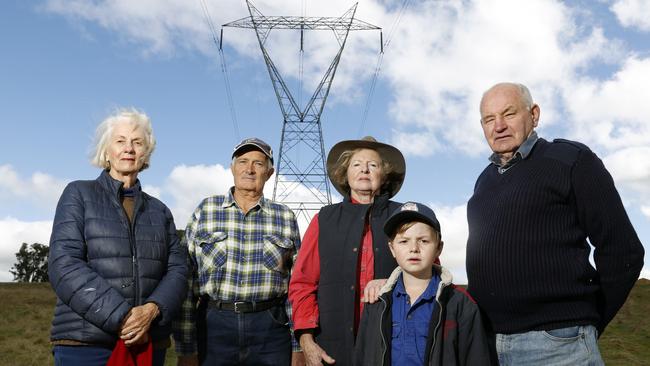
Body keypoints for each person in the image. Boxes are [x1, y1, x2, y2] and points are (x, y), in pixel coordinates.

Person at [466, 82, 645, 365]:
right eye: (489, 119)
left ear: (534, 115)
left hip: (558, 346)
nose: (498, 125)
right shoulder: (484, 180)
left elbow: (624, 251)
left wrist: (588, 320)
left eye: (509, 114)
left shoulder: (571, 160)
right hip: (488, 345)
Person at [48, 108, 188, 366]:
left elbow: (178, 270)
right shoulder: (78, 194)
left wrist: (152, 310)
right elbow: (64, 264)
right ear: (107, 151)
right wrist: (123, 316)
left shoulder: (160, 210)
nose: (129, 149)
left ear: (146, 153)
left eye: (137, 142)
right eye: (120, 141)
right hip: (86, 344)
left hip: (147, 343)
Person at [173, 137, 302, 366]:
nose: (249, 169)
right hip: (214, 325)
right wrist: (186, 349)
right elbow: (186, 282)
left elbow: (296, 287)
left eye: (258, 163)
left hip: (270, 328)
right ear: (232, 168)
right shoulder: (206, 210)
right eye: (242, 162)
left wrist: (298, 346)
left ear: (269, 173)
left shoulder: (285, 217)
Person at [289, 136, 406, 366]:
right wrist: (306, 339)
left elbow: (429, 273)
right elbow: (302, 283)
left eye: (373, 165)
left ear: (384, 175)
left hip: (394, 343)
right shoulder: (324, 219)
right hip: (332, 348)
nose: (364, 169)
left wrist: (393, 281)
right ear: (346, 173)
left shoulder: (404, 216)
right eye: (356, 164)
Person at [355, 201, 491, 365]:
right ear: (392, 249)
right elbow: (362, 356)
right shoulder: (377, 303)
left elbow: (476, 358)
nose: (414, 248)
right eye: (404, 241)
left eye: (424, 241)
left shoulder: (461, 304)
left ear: (438, 248)